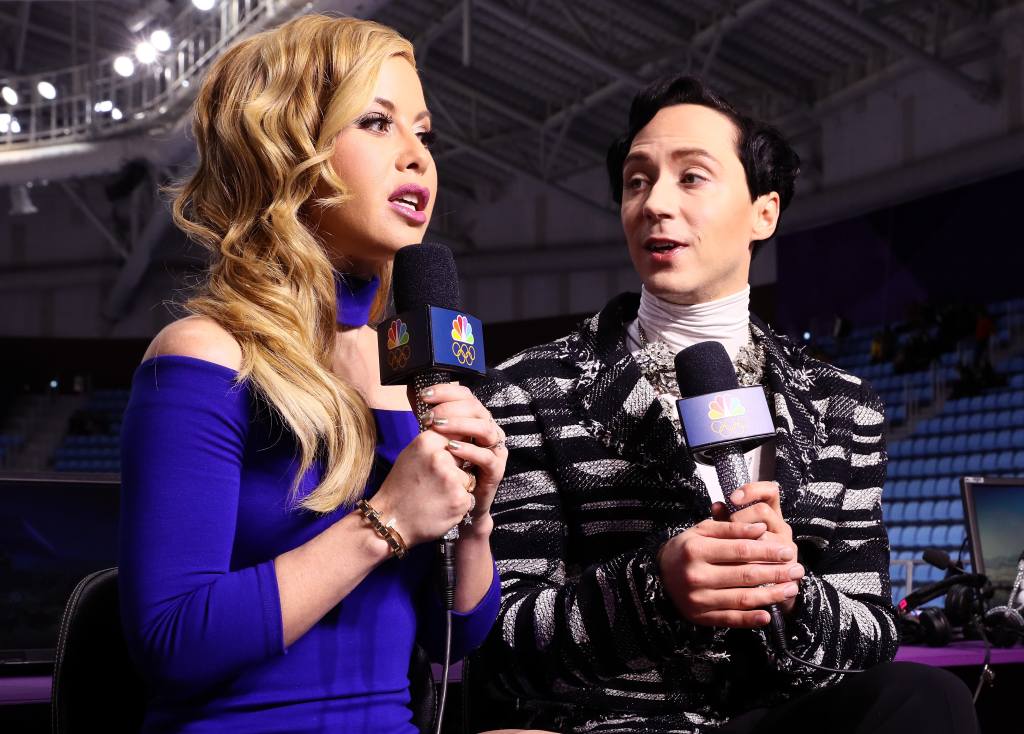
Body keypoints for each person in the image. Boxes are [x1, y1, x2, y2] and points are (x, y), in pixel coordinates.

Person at [472, 76, 979, 733]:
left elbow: (872, 631)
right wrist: (655, 589)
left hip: (768, 716)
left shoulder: (844, 405)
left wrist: (791, 590)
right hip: (612, 724)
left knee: (929, 698)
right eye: (636, 181)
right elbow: (499, 638)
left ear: (763, 212)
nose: (654, 203)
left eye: (691, 177)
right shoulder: (526, 390)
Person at [118, 15, 504, 733]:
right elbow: (169, 641)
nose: (418, 157)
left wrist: (473, 520)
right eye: (377, 122)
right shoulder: (204, 353)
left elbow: (461, 641)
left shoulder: (406, 373)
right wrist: (386, 520)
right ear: (284, 148)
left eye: (425, 133)